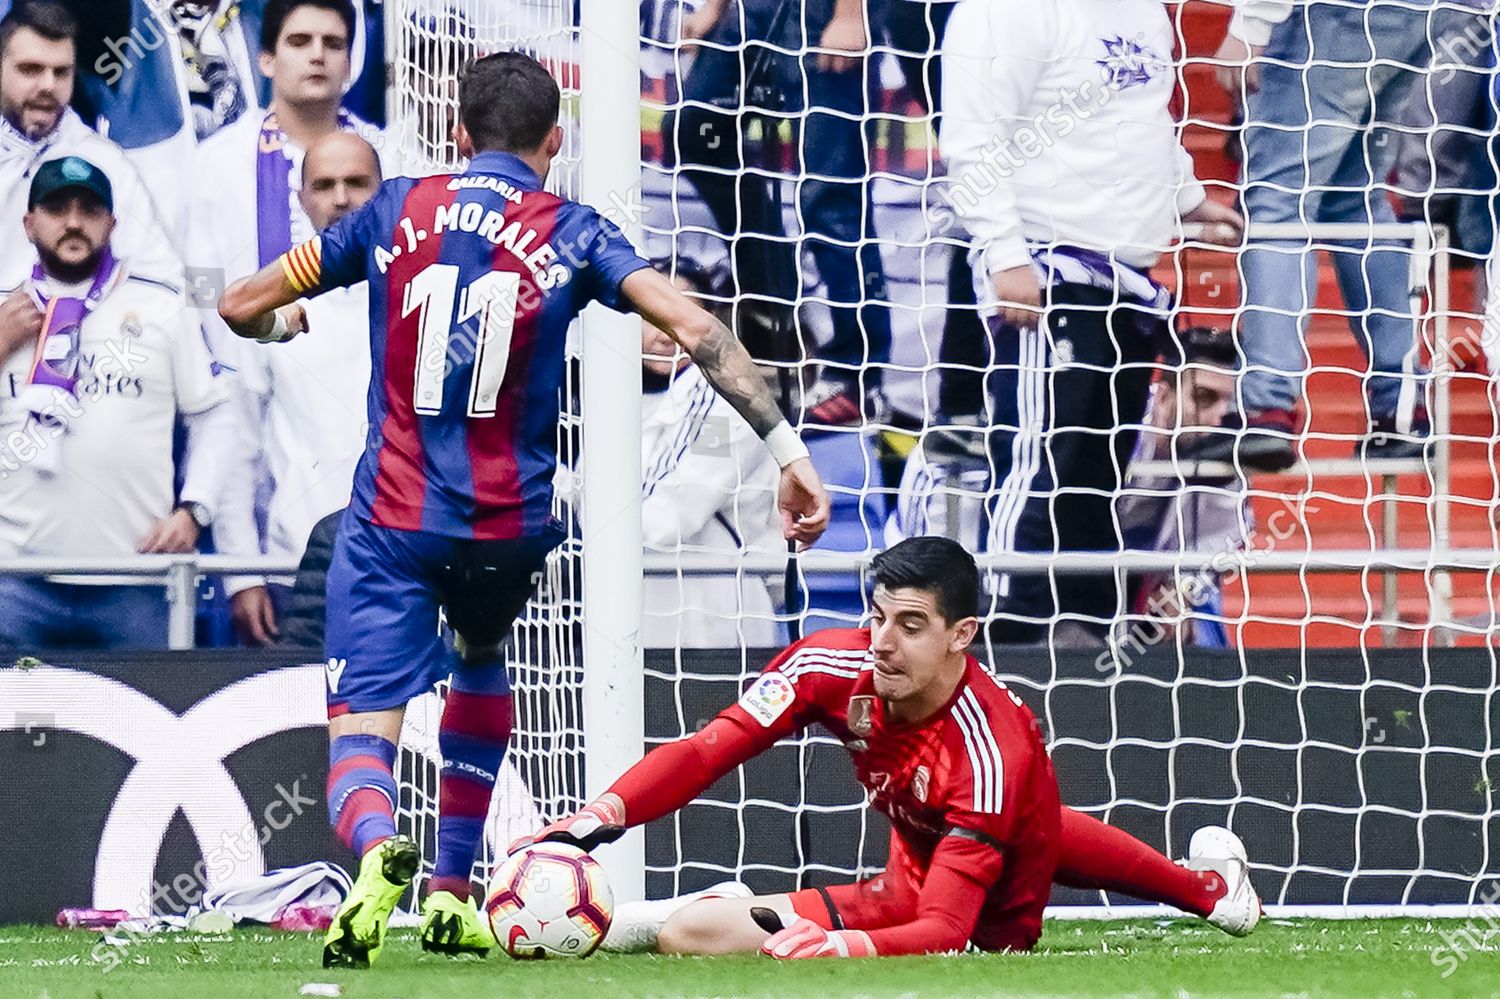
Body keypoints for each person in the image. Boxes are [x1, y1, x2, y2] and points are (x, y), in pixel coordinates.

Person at [216, 51, 831, 968]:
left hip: (392, 519)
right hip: (507, 527)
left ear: (459, 135)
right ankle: (455, 893)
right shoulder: (576, 231)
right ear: (555, 141)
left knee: (360, 721)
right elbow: (698, 331)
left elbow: (239, 305)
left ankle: (381, 846)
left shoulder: (391, 208)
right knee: (480, 656)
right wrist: (790, 452)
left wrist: (280, 323)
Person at [521, 537, 1261, 958]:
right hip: (901, 885)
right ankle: (706, 907)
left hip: (986, 922)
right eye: (877, 616)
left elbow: (945, 931)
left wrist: (841, 950)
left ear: (960, 635)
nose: (881, 641)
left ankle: (1209, 890)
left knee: (1012, 843)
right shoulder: (829, 665)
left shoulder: (994, 745)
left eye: (909, 624)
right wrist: (598, 816)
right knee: (687, 936)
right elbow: (711, 746)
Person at [940, 0, 1243, 645]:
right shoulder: (1002, 11)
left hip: (1127, 280)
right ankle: (1008, 620)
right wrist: (1004, 255)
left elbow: (1145, 123)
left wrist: (1187, 201)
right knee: (1036, 454)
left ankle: (1087, 619)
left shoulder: (1147, 14)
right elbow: (973, 138)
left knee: (1100, 464)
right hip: (1046, 270)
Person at [183, 0, 382, 641]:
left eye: (333, 40)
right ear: (266, 57)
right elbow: (200, 286)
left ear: (353, 58)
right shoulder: (215, 163)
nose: (318, 54)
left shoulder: (391, 153)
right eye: (299, 40)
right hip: (247, 378)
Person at [0, 156, 232, 649]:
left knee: (140, 724)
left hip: (132, 578)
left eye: (89, 209)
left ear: (112, 222)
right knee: (13, 729)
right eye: (57, 208)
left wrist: (194, 510)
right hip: (13, 580)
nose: (73, 222)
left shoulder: (162, 305)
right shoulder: (4, 310)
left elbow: (214, 414)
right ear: (28, 223)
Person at [1203, 0, 1434, 469]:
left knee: (1276, 202)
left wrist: (1251, 22)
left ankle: (1265, 409)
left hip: (1334, 11)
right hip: (1427, 14)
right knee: (1355, 201)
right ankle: (1402, 405)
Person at [669, 0, 891, 426]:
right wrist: (715, 9)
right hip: (755, 9)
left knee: (830, 197)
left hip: (823, 10)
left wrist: (850, 14)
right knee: (694, 132)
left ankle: (857, 375)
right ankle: (772, 285)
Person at [216, 130, 380, 646]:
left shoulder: (423, 292)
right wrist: (242, 573)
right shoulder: (265, 304)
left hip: (403, 564)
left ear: (387, 193)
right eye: (325, 184)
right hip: (295, 572)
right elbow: (236, 442)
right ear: (301, 198)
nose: (341, 198)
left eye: (357, 183)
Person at [639, 259, 783, 649]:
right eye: (652, 314)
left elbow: (664, 522)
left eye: (682, 312)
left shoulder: (726, 404)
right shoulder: (607, 405)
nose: (666, 332)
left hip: (714, 609)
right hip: (635, 611)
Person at [0, 1, 180, 291]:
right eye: (30, 69)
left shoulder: (106, 162)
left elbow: (163, 282)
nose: (48, 85)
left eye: (61, 72)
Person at [1116, 327, 1251, 649]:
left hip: (1158, 575)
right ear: (1162, 396)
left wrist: (1182, 589)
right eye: (1204, 398)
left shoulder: (1226, 445)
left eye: (1229, 403)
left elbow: (1222, 542)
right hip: (1083, 574)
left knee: (1198, 615)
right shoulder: (1118, 431)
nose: (1220, 416)